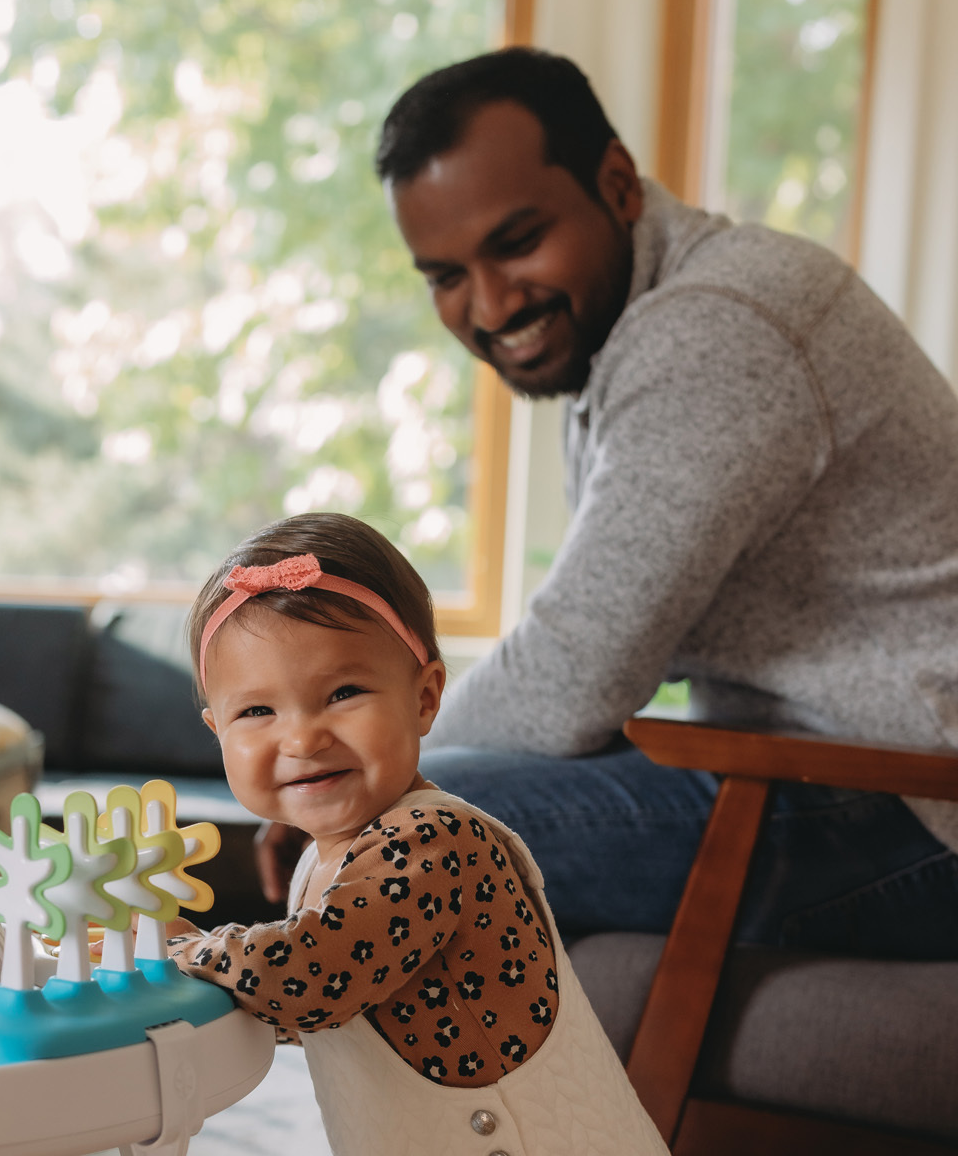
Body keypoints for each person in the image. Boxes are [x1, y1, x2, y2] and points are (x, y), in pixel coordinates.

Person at [255, 47, 958, 959]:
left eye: (515, 243)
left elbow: (574, 675)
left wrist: (353, 769)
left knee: (405, 836)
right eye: (446, 276)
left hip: (911, 807)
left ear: (618, 184)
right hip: (811, 776)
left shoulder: (716, 329)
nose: (490, 305)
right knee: (401, 813)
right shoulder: (627, 327)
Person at [165, 512, 668, 1156]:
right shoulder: (326, 861)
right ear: (218, 733)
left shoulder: (434, 842)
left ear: (425, 699)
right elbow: (336, 1016)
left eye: (344, 692)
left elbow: (312, 979)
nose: (301, 738)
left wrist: (184, 948)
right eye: (257, 710)